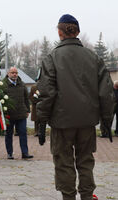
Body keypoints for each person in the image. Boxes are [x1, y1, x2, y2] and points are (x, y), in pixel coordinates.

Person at [36, 14, 115, 200]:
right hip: (87, 121)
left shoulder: (52, 58)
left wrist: (41, 122)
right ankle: (87, 196)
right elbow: (106, 93)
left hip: (61, 122)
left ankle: (68, 197)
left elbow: (47, 93)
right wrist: (106, 121)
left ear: (59, 32)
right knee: (86, 161)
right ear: (77, 31)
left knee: (64, 163)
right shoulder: (93, 58)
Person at [3, 67, 33, 160]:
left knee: (23, 133)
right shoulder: (3, 85)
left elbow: (26, 99)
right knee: (9, 134)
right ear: (8, 74)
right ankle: (9, 153)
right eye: (12, 73)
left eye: (16, 73)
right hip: (9, 114)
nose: (15, 74)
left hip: (21, 114)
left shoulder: (22, 84)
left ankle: (25, 153)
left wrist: (27, 110)